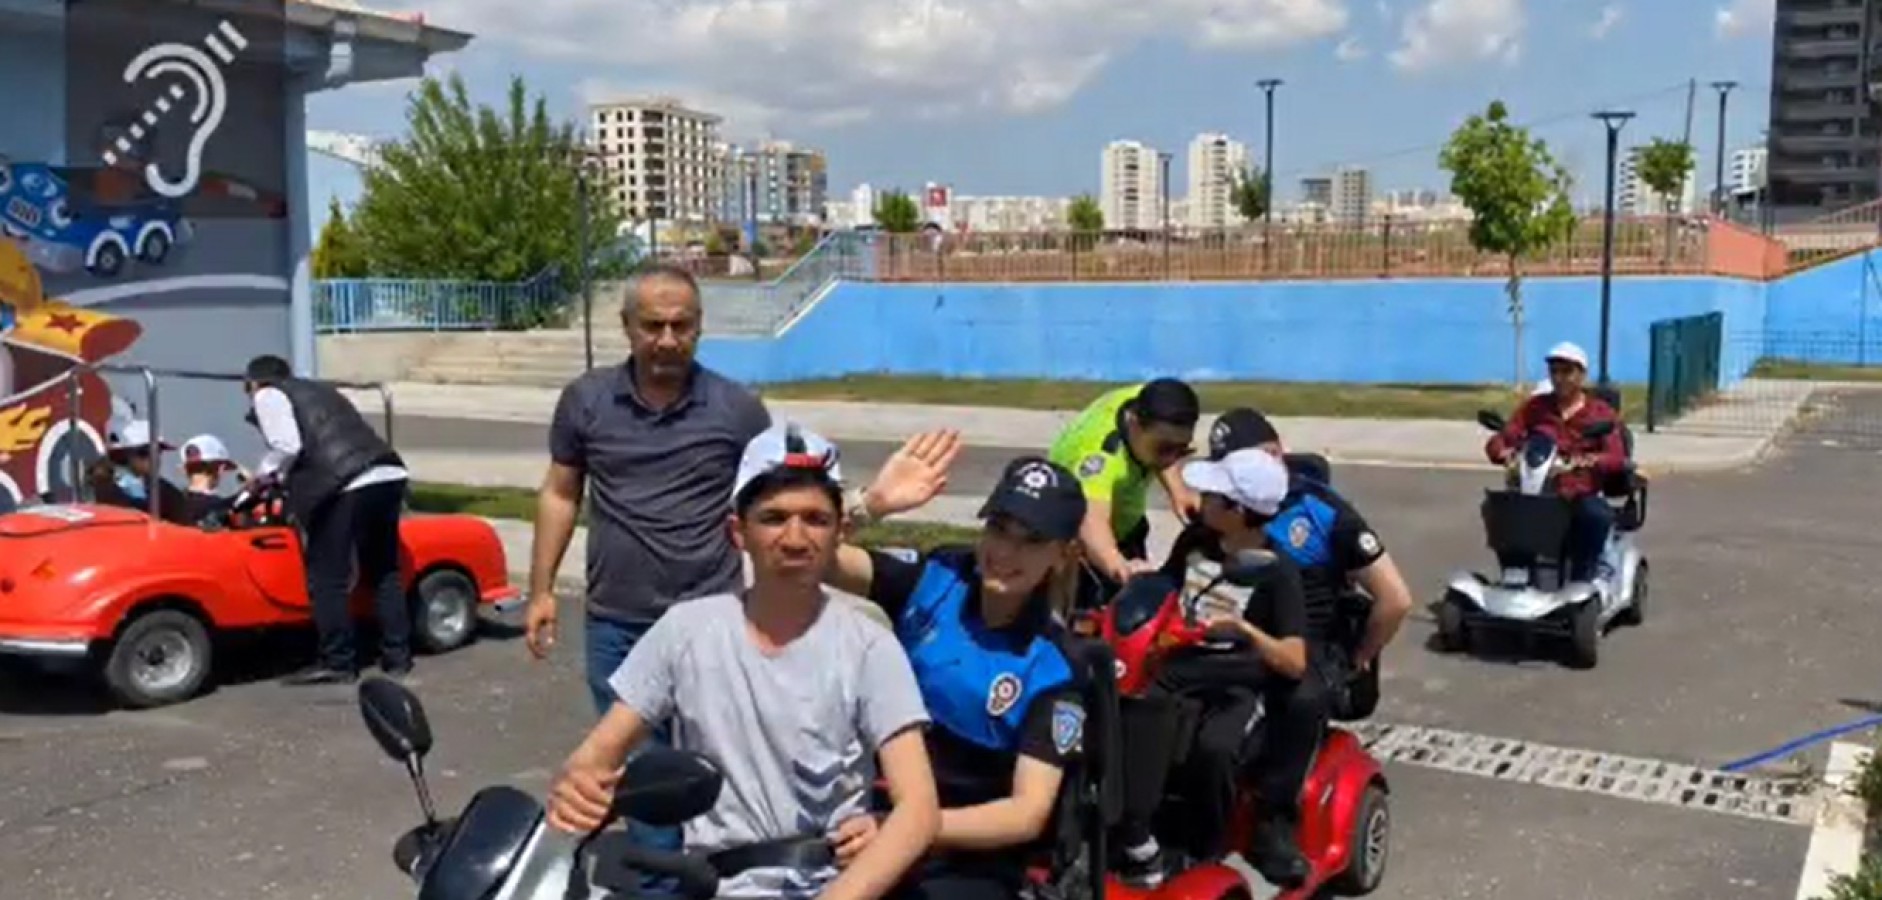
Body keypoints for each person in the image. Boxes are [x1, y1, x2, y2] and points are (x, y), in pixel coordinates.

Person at [545, 422, 940, 900]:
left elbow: (918, 809)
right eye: (773, 518)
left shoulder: (868, 646)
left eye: (816, 519)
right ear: (738, 531)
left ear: (841, 532)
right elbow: (597, 755)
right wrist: (581, 787)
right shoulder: (686, 631)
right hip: (715, 883)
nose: (795, 538)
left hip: (829, 882)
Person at [523, 263, 771, 886]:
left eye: (680, 325)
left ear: (699, 328)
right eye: (652, 325)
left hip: (710, 625)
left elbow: (775, 507)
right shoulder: (586, 401)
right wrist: (541, 590)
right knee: (641, 778)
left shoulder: (737, 410)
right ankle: (662, 886)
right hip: (619, 624)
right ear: (627, 327)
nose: (666, 339)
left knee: (721, 772)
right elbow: (560, 493)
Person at [822, 440, 1091, 900]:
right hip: (869, 807)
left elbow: (1027, 812)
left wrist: (907, 829)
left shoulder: (1053, 668)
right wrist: (871, 506)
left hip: (965, 854)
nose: (1006, 551)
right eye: (1000, 529)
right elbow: (811, 557)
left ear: (1062, 555)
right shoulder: (939, 578)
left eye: (1032, 541)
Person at [1107, 447, 1309, 889]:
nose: (1203, 498)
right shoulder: (1195, 542)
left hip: (1239, 679)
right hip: (1181, 663)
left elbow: (1294, 660)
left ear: (1238, 511)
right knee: (1126, 715)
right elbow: (1167, 587)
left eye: (1214, 495)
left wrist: (1244, 630)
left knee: (1215, 749)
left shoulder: (1278, 572)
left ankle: (1205, 848)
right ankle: (1133, 828)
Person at [243, 354, 412, 685]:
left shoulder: (269, 394)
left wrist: (260, 477)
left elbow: (287, 446)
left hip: (344, 482)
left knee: (327, 578)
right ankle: (397, 657)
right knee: (383, 571)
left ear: (253, 381)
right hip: (388, 472)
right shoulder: (322, 391)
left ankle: (339, 661)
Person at [1046, 379, 1203, 608]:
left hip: (1126, 522)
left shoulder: (1147, 399)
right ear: (1134, 424)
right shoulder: (1099, 456)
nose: (1171, 460)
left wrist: (1178, 490)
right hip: (1077, 545)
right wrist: (1119, 567)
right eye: (1164, 449)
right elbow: (1092, 522)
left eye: (1182, 450)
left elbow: (1166, 446)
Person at [1484, 341, 1627, 582]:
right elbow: (1505, 436)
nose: (1560, 378)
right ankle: (1516, 576)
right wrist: (1501, 451)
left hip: (1577, 492)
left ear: (1581, 375)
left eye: (1567, 371)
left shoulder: (1600, 413)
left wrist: (1591, 460)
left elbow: (1616, 456)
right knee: (1498, 509)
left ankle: (1583, 576)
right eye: (1555, 372)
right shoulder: (1535, 408)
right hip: (1535, 489)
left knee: (1596, 515)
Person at [86, 419, 206, 526]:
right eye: (145, 452)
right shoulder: (93, 491)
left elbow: (185, 526)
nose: (155, 458)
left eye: (158, 451)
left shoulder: (166, 492)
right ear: (121, 455)